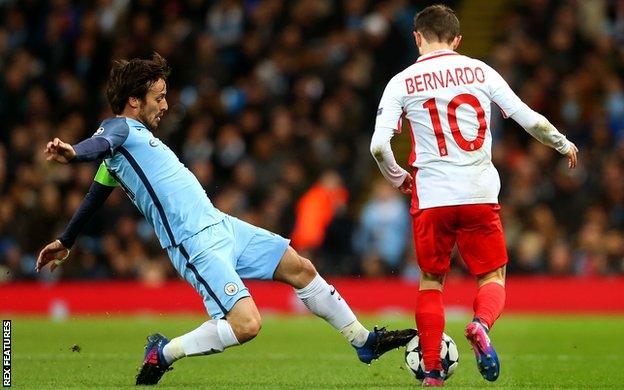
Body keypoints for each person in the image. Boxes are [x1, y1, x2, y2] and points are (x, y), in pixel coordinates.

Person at [36, 53, 416, 386]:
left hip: (222, 225)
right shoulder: (117, 129)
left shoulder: (123, 150)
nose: (166, 105)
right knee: (247, 325)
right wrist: (73, 153)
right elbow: (98, 144)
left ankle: (363, 342)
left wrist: (66, 240)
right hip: (194, 243)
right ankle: (164, 353)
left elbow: (94, 195)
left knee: (299, 267)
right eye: (159, 97)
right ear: (134, 100)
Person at [370, 5, 578, 387]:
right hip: (479, 191)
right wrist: (562, 144)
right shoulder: (481, 70)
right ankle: (481, 324)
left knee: (432, 281)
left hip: (432, 195)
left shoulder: (401, 81)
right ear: (458, 40)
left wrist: (399, 178)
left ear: (417, 37)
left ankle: (432, 372)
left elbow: (380, 147)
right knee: (492, 275)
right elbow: (528, 117)